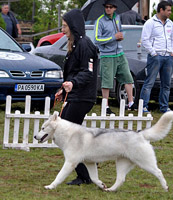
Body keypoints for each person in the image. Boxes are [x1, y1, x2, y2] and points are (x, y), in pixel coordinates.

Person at [55, 9, 98, 186]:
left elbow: (87, 73)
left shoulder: (85, 45)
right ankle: (86, 172)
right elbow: (73, 73)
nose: (62, 29)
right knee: (70, 135)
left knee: (67, 133)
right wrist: (64, 89)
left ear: (73, 26)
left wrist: (72, 84)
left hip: (83, 97)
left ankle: (85, 174)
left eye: (65, 26)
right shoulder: (75, 44)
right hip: (76, 95)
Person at [94, 0, 134, 114]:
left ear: (115, 8)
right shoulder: (100, 21)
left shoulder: (117, 18)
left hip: (119, 53)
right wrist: (113, 37)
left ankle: (131, 102)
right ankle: (105, 106)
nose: (108, 9)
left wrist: (121, 36)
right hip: (107, 55)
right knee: (107, 82)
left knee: (128, 77)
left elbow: (120, 32)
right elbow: (97, 39)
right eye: (106, 7)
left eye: (111, 7)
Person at [140, 1, 173, 113]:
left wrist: (172, 51)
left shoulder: (170, 23)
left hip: (168, 57)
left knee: (166, 84)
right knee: (149, 82)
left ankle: (164, 107)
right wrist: (153, 53)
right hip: (155, 57)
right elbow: (145, 40)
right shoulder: (150, 23)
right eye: (168, 10)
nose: (170, 12)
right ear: (161, 10)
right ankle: (143, 106)